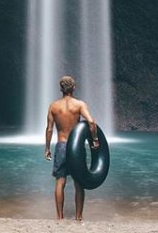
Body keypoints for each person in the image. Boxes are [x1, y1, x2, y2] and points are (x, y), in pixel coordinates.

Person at [45, 75, 99, 221]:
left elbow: (49, 129)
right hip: (76, 147)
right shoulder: (79, 105)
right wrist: (94, 140)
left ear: (61, 89)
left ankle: (59, 217)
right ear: (74, 87)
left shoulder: (54, 106)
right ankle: (79, 217)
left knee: (60, 181)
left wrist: (47, 148)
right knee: (79, 181)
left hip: (61, 145)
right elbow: (92, 123)